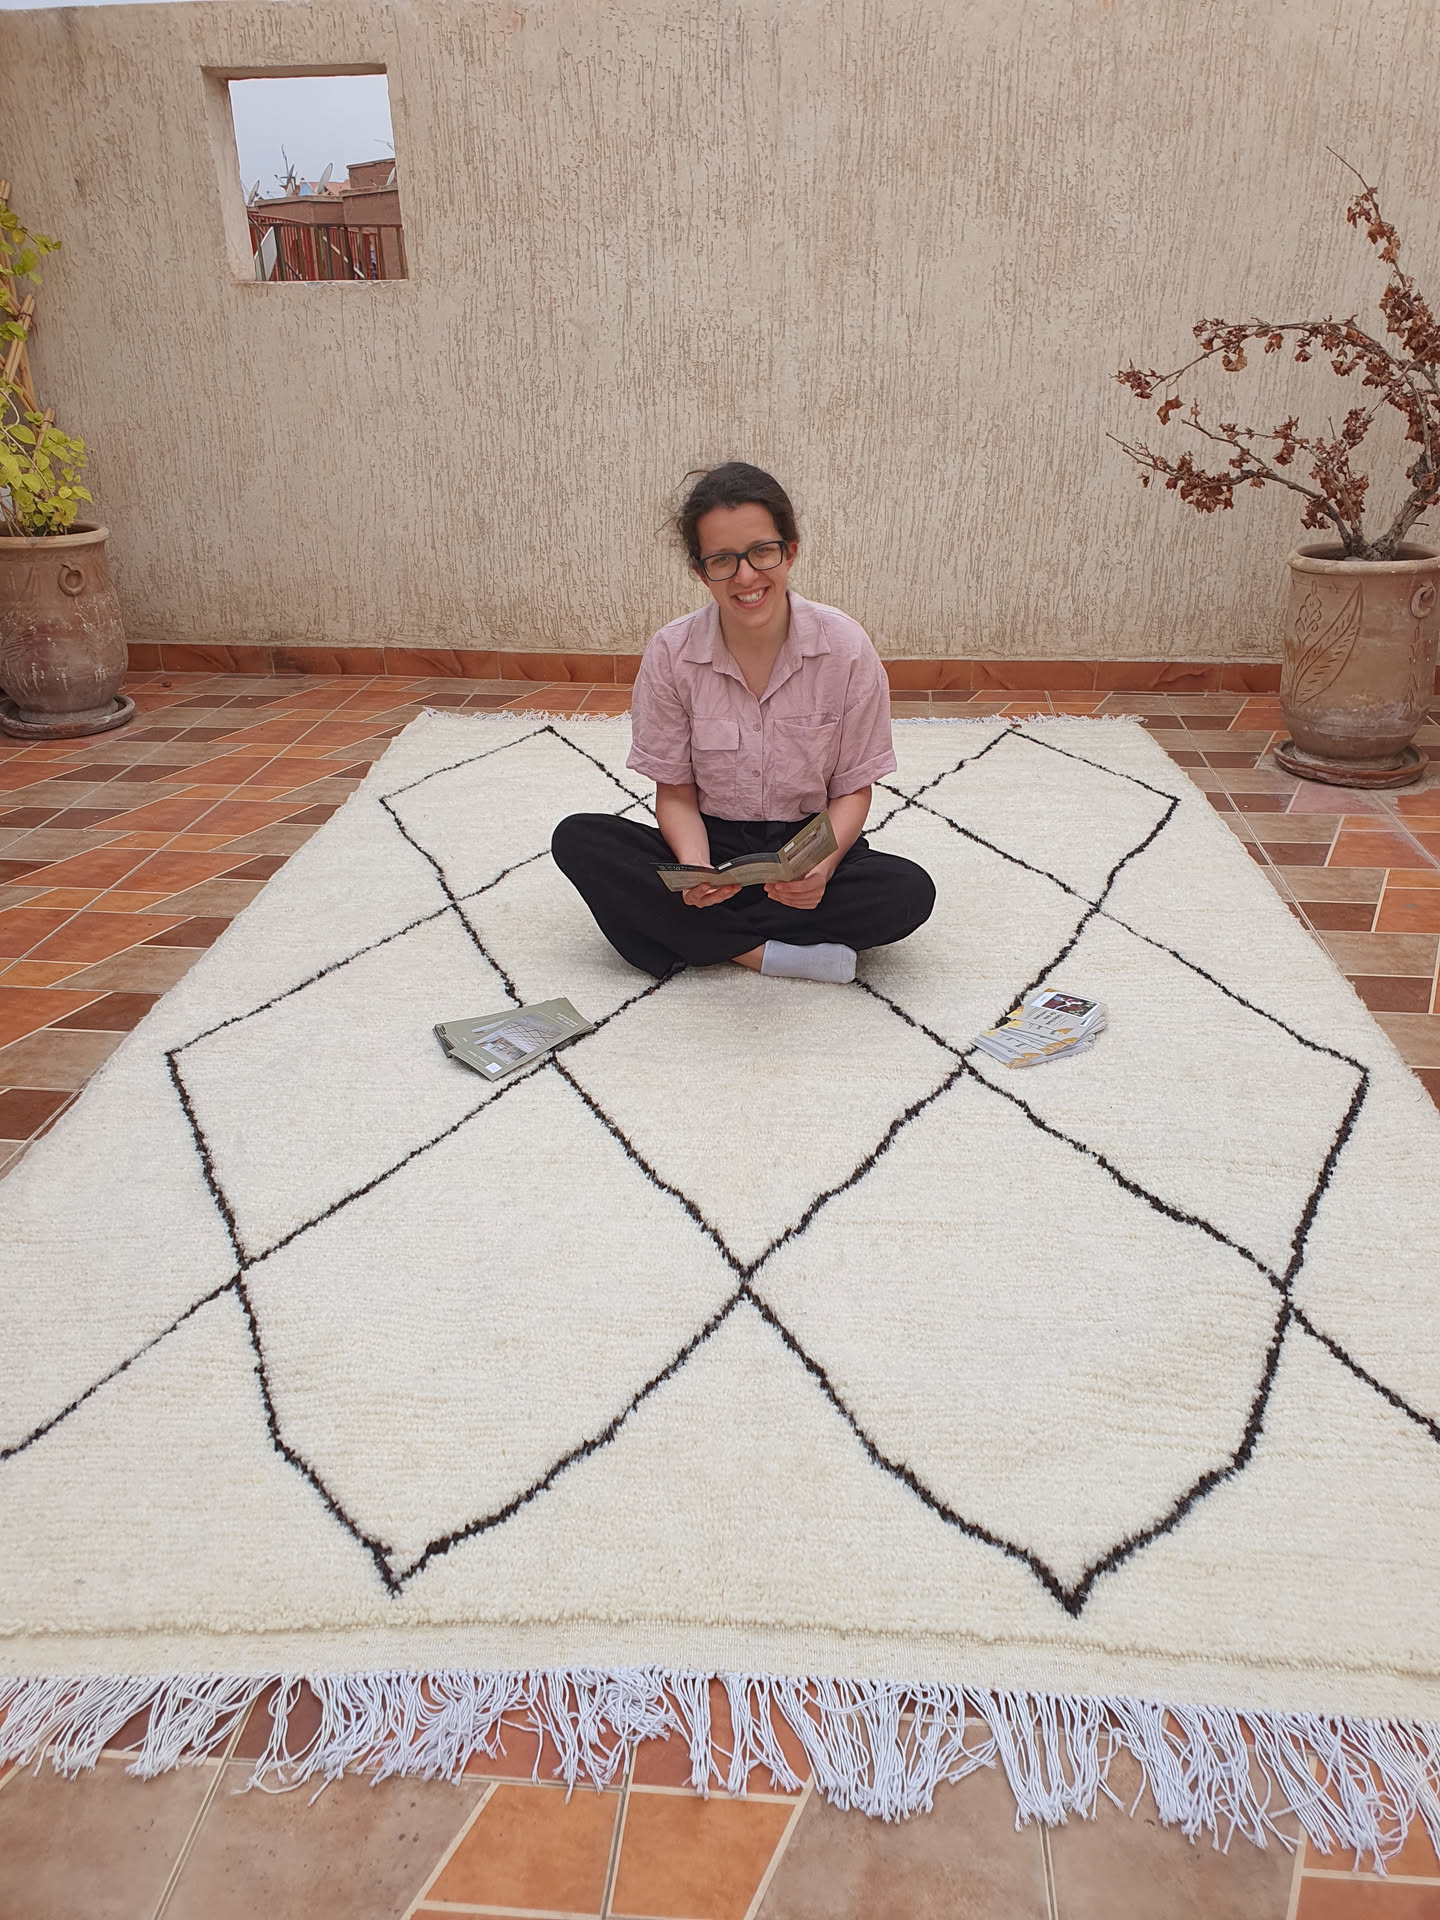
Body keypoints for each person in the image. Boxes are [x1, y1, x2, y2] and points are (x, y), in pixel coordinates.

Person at [551, 463, 935, 983]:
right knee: (579, 839)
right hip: (710, 847)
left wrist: (820, 869)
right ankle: (758, 952)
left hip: (805, 846)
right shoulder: (671, 653)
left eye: (761, 552)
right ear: (700, 570)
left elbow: (852, 790)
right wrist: (696, 869)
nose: (746, 576)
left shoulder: (846, 648)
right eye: (723, 560)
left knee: (907, 892)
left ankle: (691, 936)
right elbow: (676, 795)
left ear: (790, 550)